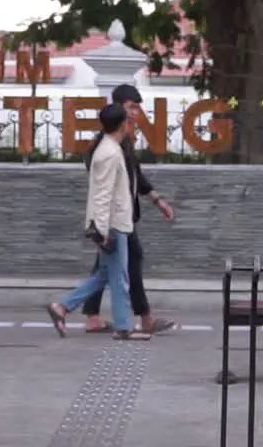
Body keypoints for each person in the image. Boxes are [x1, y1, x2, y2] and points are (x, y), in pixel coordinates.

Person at [47, 104, 151, 341]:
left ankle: (61, 308)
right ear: (122, 124)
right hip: (113, 225)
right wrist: (103, 231)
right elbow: (102, 195)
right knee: (120, 277)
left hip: (114, 222)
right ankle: (124, 327)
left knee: (104, 274)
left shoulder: (108, 149)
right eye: (127, 120)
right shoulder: (110, 153)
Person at [80, 84, 177, 335]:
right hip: (116, 219)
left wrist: (157, 200)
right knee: (128, 264)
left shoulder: (122, 142)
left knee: (105, 268)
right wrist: (101, 225)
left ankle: (81, 312)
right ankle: (142, 320)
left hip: (121, 218)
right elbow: (102, 187)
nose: (136, 113)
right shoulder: (107, 146)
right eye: (132, 107)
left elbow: (136, 175)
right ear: (120, 107)